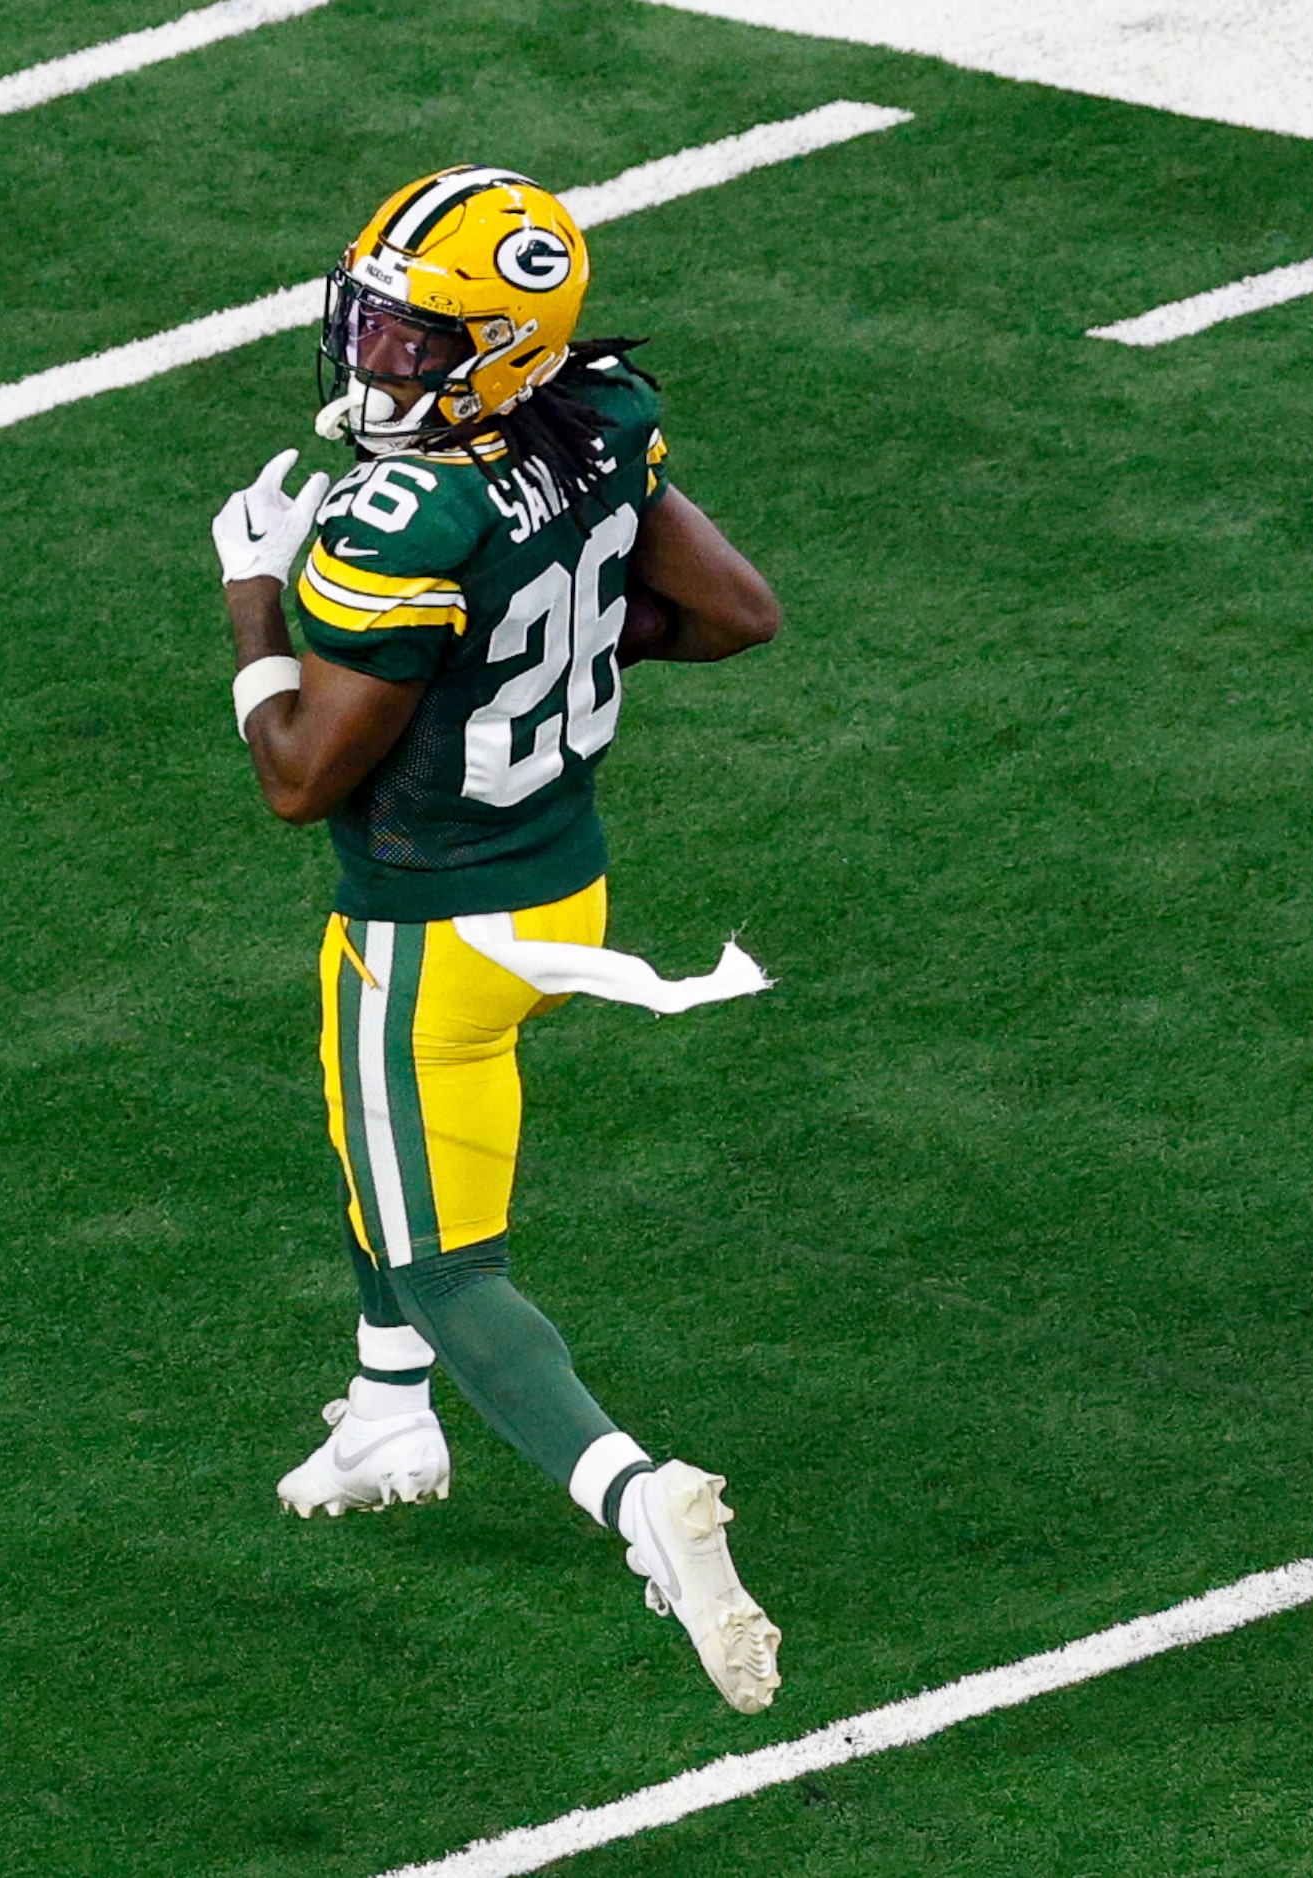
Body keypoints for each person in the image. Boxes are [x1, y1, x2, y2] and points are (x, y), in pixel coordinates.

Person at [207, 166, 789, 1713]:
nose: (379, 360)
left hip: (433, 927)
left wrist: (253, 595)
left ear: (499, 351)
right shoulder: (598, 425)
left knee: (443, 1257)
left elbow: (295, 778)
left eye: (417, 340)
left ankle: (632, 1495)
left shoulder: (405, 515)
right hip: (562, 889)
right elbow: (736, 612)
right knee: (368, 1121)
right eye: (378, 326)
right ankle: (387, 1409)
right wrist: (570, 623)